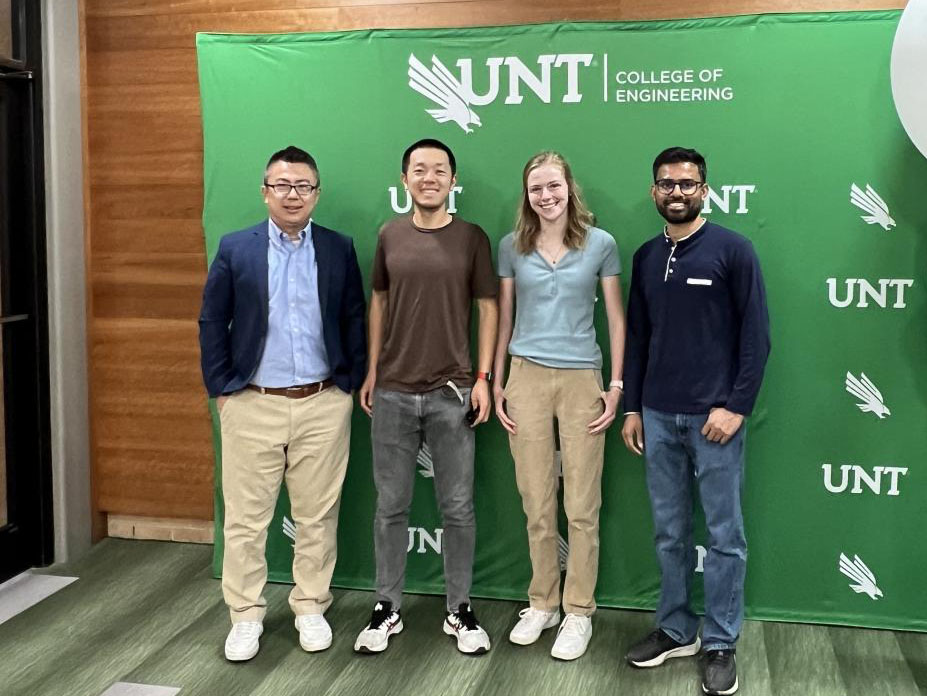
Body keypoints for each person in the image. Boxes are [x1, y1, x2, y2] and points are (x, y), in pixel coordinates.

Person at [199, 145, 366, 662]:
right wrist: (223, 390)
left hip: (323, 402)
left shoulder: (339, 248)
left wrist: (350, 383)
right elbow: (212, 320)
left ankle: (310, 605)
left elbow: (355, 318)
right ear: (265, 190)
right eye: (283, 185)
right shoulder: (236, 248)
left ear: (317, 193)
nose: (293, 195)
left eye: (303, 186)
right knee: (247, 520)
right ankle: (245, 615)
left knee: (317, 514)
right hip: (252, 403)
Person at [620, 147, 770, 696]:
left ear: (704, 189)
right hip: (657, 416)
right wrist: (633, 405)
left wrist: (736, 407)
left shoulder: (733, 250)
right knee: (670, 532)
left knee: (725, 535)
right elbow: (637, 337)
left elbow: (756, 338)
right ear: (654, 190)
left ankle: (721, 641)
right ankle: (677, 628)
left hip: (715, 420)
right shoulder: (643, 255)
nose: (676, 191)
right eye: (666, 183)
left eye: (687, 183)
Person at [354, 138, 499, 656]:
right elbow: (379, 302)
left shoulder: (472, 238)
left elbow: (489, 307)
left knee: (457, 508)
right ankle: (386, 606)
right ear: (405, 180)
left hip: (452, 392)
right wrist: (372, 370)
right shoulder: (389, 235)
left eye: (439, 170)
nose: (429, 177)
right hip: (391, 391)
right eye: (419, 169)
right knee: (390, 506)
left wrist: (482, 377)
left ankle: (458, 609)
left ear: (452, 181)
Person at [492, 151, 626, 660]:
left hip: (581, 381)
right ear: (526, 196)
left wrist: (615, 386)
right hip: (524, 377)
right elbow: (504, 318)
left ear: (569, 187)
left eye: (553, 186)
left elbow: (616, 320)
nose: (545, 197)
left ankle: (579, 611)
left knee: (582, 506)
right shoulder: (511, 247)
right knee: (536, 501)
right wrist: (500, 381)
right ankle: (543, 601)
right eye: (535, 189)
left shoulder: (601, 245)